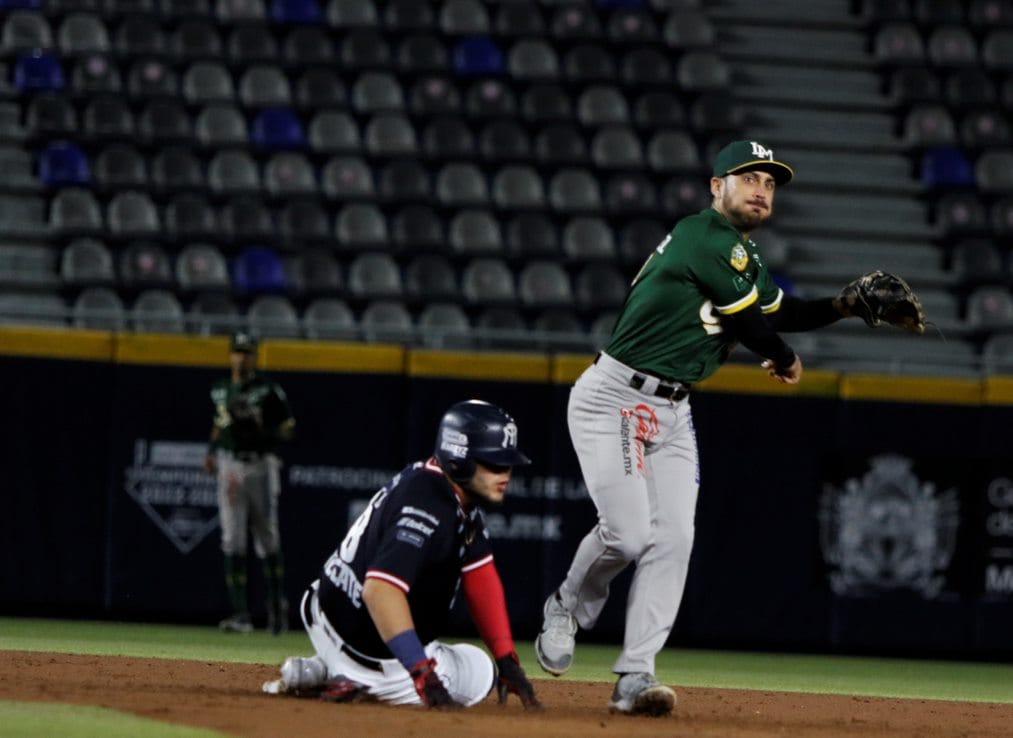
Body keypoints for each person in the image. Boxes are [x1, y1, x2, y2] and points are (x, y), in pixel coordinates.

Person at [534, 140, 891, 715]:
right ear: (715, 186)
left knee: (674, 538)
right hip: (615, 397)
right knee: (627, 534)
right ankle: (566, 605)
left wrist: (845, 304)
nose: (761, 189)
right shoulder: (703, 236)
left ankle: (635, 675)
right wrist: (780, 355)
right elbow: (751, 322)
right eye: (748, 177)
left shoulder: (742, 255)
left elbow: (781, 311)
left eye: (770, 183)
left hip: (674, 411)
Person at [262, 400, 542, 710]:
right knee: (480, 672)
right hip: (376, 651)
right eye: (494, 463)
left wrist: (508, 658)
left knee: (480, 659)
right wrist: (422, 674)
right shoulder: (429, 506)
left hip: (326, 610)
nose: (506, 473)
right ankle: (358, 680)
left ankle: (322, 669)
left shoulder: (437, 485)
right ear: (459, 458)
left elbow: (481, 574)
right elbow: (379, 590)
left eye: (509, 464)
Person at [203, 331, 295, 635]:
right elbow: (219, 424)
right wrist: (212, 451)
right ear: (230, 355)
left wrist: (261, 430)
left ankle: (276, 607)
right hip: (230, 464)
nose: (242, 357)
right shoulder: (220, 389)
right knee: (232, 539)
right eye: (237, 351)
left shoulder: (268, 390)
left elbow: (288, 427)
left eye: (247, 352)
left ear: (255, 356)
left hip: (260, 463)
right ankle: (241, 614)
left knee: (267, 537)